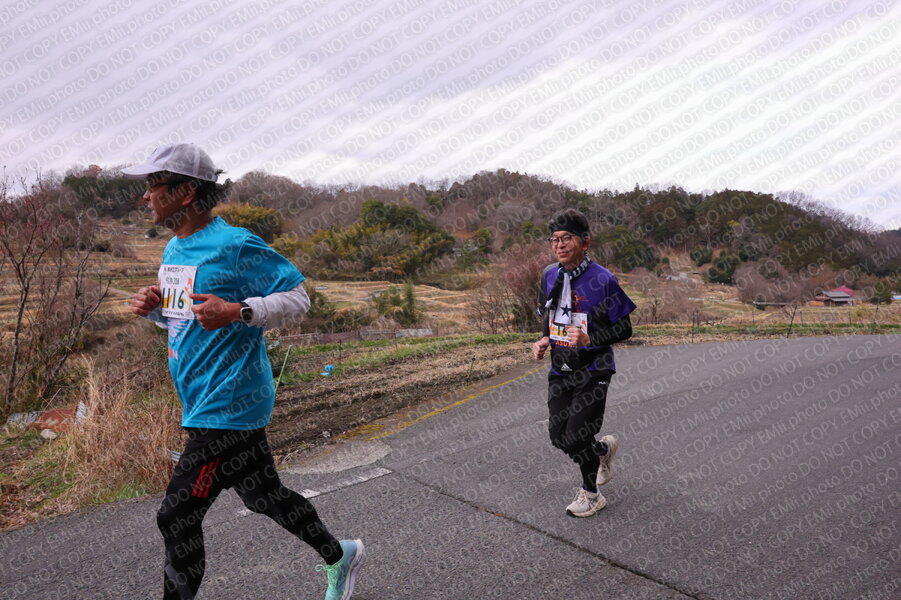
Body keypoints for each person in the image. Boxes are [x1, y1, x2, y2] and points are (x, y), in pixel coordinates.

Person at [126, 143, 365, 600]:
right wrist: (154, 308)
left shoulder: (234, 245)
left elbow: (298, 298)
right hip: (200, 400)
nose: (146, 195)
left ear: (186, 192)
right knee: (263, 496)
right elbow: (186, 320)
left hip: (229, 402)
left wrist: (238, 310)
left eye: (154, 185)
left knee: (177, 515)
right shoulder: (175, 248)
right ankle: (340, 555)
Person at [532, 208, 636, 517]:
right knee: (559, 437)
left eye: (567, 238)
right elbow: (550, 313)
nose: (559, 245)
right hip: (561, 367)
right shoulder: (549, 275)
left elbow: (625, 328)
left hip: (594, 368)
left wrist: (590, 339)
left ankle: (591, 494)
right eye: (554, 239)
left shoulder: (603, 279)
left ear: (585, 242)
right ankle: (601, 451)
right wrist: (545, 339)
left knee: (577, 434)